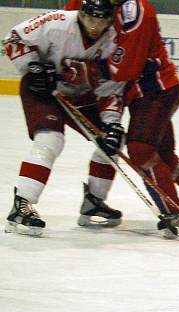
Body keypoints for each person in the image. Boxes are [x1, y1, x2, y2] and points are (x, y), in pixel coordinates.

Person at [65, 0, 179, 238]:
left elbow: (127, 67)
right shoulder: (87, 4)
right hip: (132, 94)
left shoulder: (136, 11)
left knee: (141, 150)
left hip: (155, 92)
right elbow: (66, 28)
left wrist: (79, 70)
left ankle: (172, 212)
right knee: (164, 159)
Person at [3, 0, 125, 236]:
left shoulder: (113, 41)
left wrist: (111, 122)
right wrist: (33, 67)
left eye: (101, 20)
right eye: (91, 19)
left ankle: (94, 202)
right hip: (42, 90)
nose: (95, 26)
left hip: (79, 94)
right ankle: (22, 205)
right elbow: (13, 38)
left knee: (112, 141)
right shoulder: (57, 22)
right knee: (50, 140)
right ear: (81, 14)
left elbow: (111, 86)